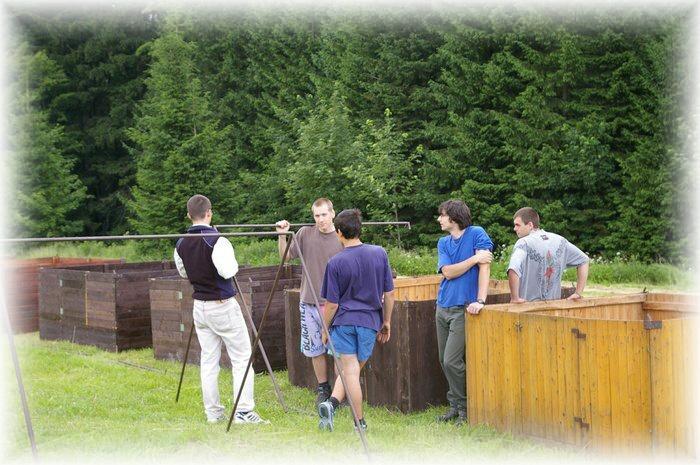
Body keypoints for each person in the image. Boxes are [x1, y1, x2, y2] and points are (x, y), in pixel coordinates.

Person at [174, 194, 267, 424]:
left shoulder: (180, 243)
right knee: (242, 358)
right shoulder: (217, 240)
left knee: (209, 360)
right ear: (209, 213)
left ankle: (213, 413)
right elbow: (228, 271)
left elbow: (184, 273)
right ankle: (243, 411)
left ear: (189, 215)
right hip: (222, 305)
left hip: (200, 307)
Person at [316, 209, 395, 432]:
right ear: (360, 229)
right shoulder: (379, 253)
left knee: (350, 371)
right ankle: (339, 410)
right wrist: (386, 321)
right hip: (370, 323)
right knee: (353, 371)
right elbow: (389, 293)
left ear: (339, 233)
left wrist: (324, 328)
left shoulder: (335, 263)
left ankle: (353, 418)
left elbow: (332, 304)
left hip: (343, 324)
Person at [276, 198, 343, 406]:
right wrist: (282, 236)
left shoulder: (342, 237)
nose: (321, 219)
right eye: (317, 215)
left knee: (338, 351)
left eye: (324, 214)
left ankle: (339, 395)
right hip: (309, 302)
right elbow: (285, 257)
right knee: (316, 349)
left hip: (335, 305)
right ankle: (323, 388)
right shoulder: (305, 233)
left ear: (332, 213)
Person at [435, 199, 493, 426]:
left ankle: (465, 408)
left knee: (451, 361)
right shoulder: (443, 242)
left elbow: (485, 267)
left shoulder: (477, 233)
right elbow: (448, 272)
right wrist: (474, 258)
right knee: (443, 360)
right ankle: (454, 406)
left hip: (463, 308)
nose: (439, 219)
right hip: (442, 306)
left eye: (442, 215)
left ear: (453, 217)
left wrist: (480, 300)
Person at [508, 207, 589, 302]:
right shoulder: (560, 241)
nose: (514, 228)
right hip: (553, 309)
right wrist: (578, 293)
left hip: (528, 309)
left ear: (530, 225)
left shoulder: (523, 243)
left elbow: (513, 269)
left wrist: (515, 298)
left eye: (518, 225)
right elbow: (584, 260)